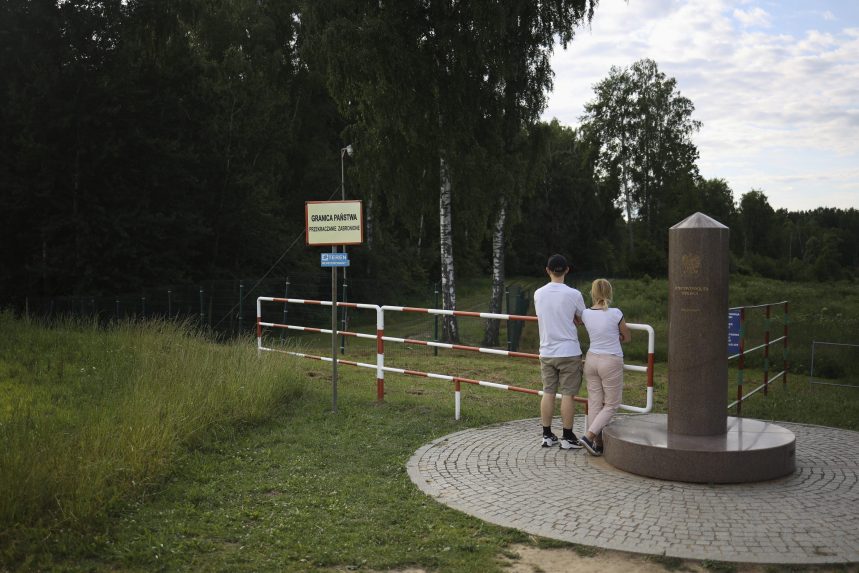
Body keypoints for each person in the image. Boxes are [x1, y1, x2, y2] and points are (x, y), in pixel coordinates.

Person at [534, 254, 587, 449]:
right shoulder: (574, 294)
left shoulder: (538, 293)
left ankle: (547, 434)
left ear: (548, 270)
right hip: (569, 351)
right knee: (568, 394)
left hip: (546, 350)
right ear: (567, 270)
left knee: (548, 392)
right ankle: (567, 437)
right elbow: (582, 318)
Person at [579, 278, 632, 456]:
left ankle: (598, 444)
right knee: (611, 404)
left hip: (591, 358)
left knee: (594, 402)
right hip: (611, 360)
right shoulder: (616, 313)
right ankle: (589, 436)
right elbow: (627, 336)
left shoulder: (586, 313)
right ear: (609, 292)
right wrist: (616, 337)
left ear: (593, 293)